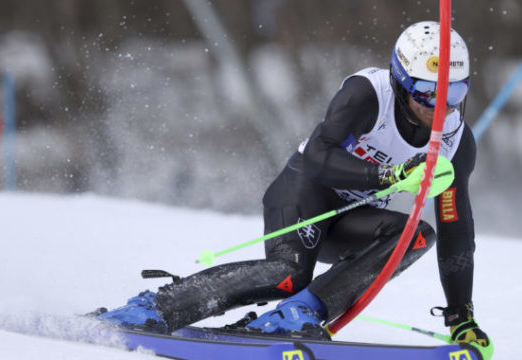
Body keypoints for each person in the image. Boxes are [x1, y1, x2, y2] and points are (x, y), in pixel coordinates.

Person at [96, 21, 492, 351]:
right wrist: (387, 177)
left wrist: (462, 315)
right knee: (287, 275)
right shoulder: (368, 95)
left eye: (454, 92)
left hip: (350, 219)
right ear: (403, 82)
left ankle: (301, 312)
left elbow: (458, 228)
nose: (441, 105)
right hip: (305, 193)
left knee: (416, 235)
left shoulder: (457, 143)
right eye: (429, 92)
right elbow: (319, 156)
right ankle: (155, 307)